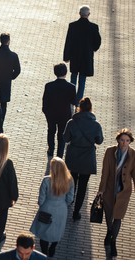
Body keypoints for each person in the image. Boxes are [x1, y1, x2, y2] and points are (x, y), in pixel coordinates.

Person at [63, 97, 103, 221]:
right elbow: (99, 141)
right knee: (83, 186)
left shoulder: (72, 122)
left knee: (71, 183)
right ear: (90, 108)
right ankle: (76, 212)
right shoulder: (96, 125)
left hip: (73, 157)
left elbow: (66, 139)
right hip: (87, 159)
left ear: (79, 108)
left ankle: (68, 203)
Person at [98, 128, 135, 260]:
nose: (124, 143)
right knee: (109, 216)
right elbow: (105, 172)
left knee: (118, 217)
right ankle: (110, 234)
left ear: (130, 141)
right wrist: (101, 190)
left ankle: (112, 243)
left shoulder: (133, 154)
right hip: (109, 190)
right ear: (118, 140)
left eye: (127, 140)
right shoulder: (110, 151)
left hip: (123, 192)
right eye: (122, 140)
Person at [29, 157, 74, 258]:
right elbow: (70, 198)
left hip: (47, 207)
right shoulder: (70, 180)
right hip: (61, 209)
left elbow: (41, 198)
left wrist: (41, 205)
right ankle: (53, 247)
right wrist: (63, 205)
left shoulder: (46, 180)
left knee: (43, 232)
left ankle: (44, 253)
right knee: (57, 230)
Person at [63, 5, 101, 104]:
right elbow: (97, 42)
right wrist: (92, 49)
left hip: (75, 57)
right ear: (89, 14)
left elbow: (68, 42)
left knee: (73, 78)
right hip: (86, 58)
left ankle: (71, 99)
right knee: (82, 80)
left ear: (79, 13)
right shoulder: (93, 27)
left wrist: (66, 57)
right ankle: (78, 101)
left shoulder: (72, 26)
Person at [42, 63, 77, 158]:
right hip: (64, 115)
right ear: (66, 73)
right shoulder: (71, 87)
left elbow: (45, 100)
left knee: (51, 131)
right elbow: (74, 101)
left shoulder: (49, 86)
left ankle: (51, 149)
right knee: (62, 134)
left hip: (51, 114)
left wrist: (46, 112)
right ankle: (59, 154)